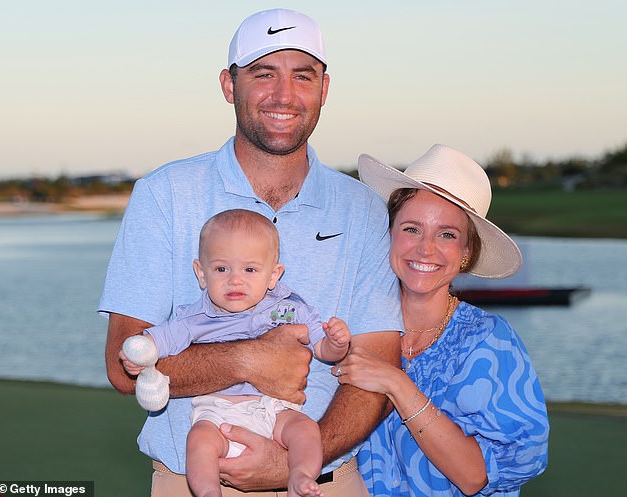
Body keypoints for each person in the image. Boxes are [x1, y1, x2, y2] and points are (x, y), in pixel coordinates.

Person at [99, 8, 402, 497]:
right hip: (192, 481)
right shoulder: (165, 194)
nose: (284, 95)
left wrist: (295, 461)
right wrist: (247, 359)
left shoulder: (364, 210)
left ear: (324, 89)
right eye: (264, 74)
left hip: (324, 481)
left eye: (302, 76)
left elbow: (377, 369)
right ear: (228, 85)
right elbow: (123, 363)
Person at [332, 144, 549, 496]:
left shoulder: (489, 342)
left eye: (447, 234)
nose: (425, 248)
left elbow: (473, 476)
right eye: (412, 229)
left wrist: (396, 383)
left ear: (466, 253)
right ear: (389, 234)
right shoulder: (353, 326)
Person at [121, 209, 351, 497]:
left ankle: (300, 476)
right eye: (221, 269)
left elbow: (322, 348)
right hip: (218, 411)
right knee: (199, 441)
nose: (235, 280)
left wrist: (336, 343)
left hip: (275, 407)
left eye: (250, 270)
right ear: (201, 273)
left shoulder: (290, 308)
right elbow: (159, 340)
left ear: (273, 275)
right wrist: (139, 354)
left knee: (305, 430)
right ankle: (207, 492)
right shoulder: (196, 318)